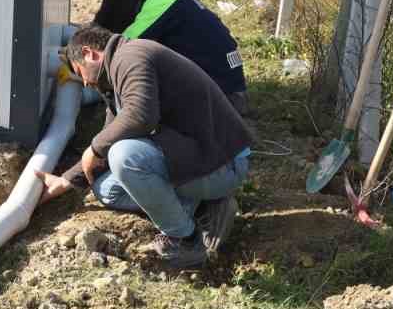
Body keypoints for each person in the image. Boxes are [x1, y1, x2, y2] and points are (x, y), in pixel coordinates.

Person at [36, 25, 253, 269]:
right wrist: (68, 179)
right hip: (199, 159)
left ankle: (186, 240)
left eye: (79, 72)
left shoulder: (131, 57)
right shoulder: (117, 71)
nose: (84, 83)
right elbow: (112, 133)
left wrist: (94, 149)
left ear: (90, 53)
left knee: (124, 157)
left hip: (223, 164)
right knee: (106, 188)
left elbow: (141, 116)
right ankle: (205, 207)